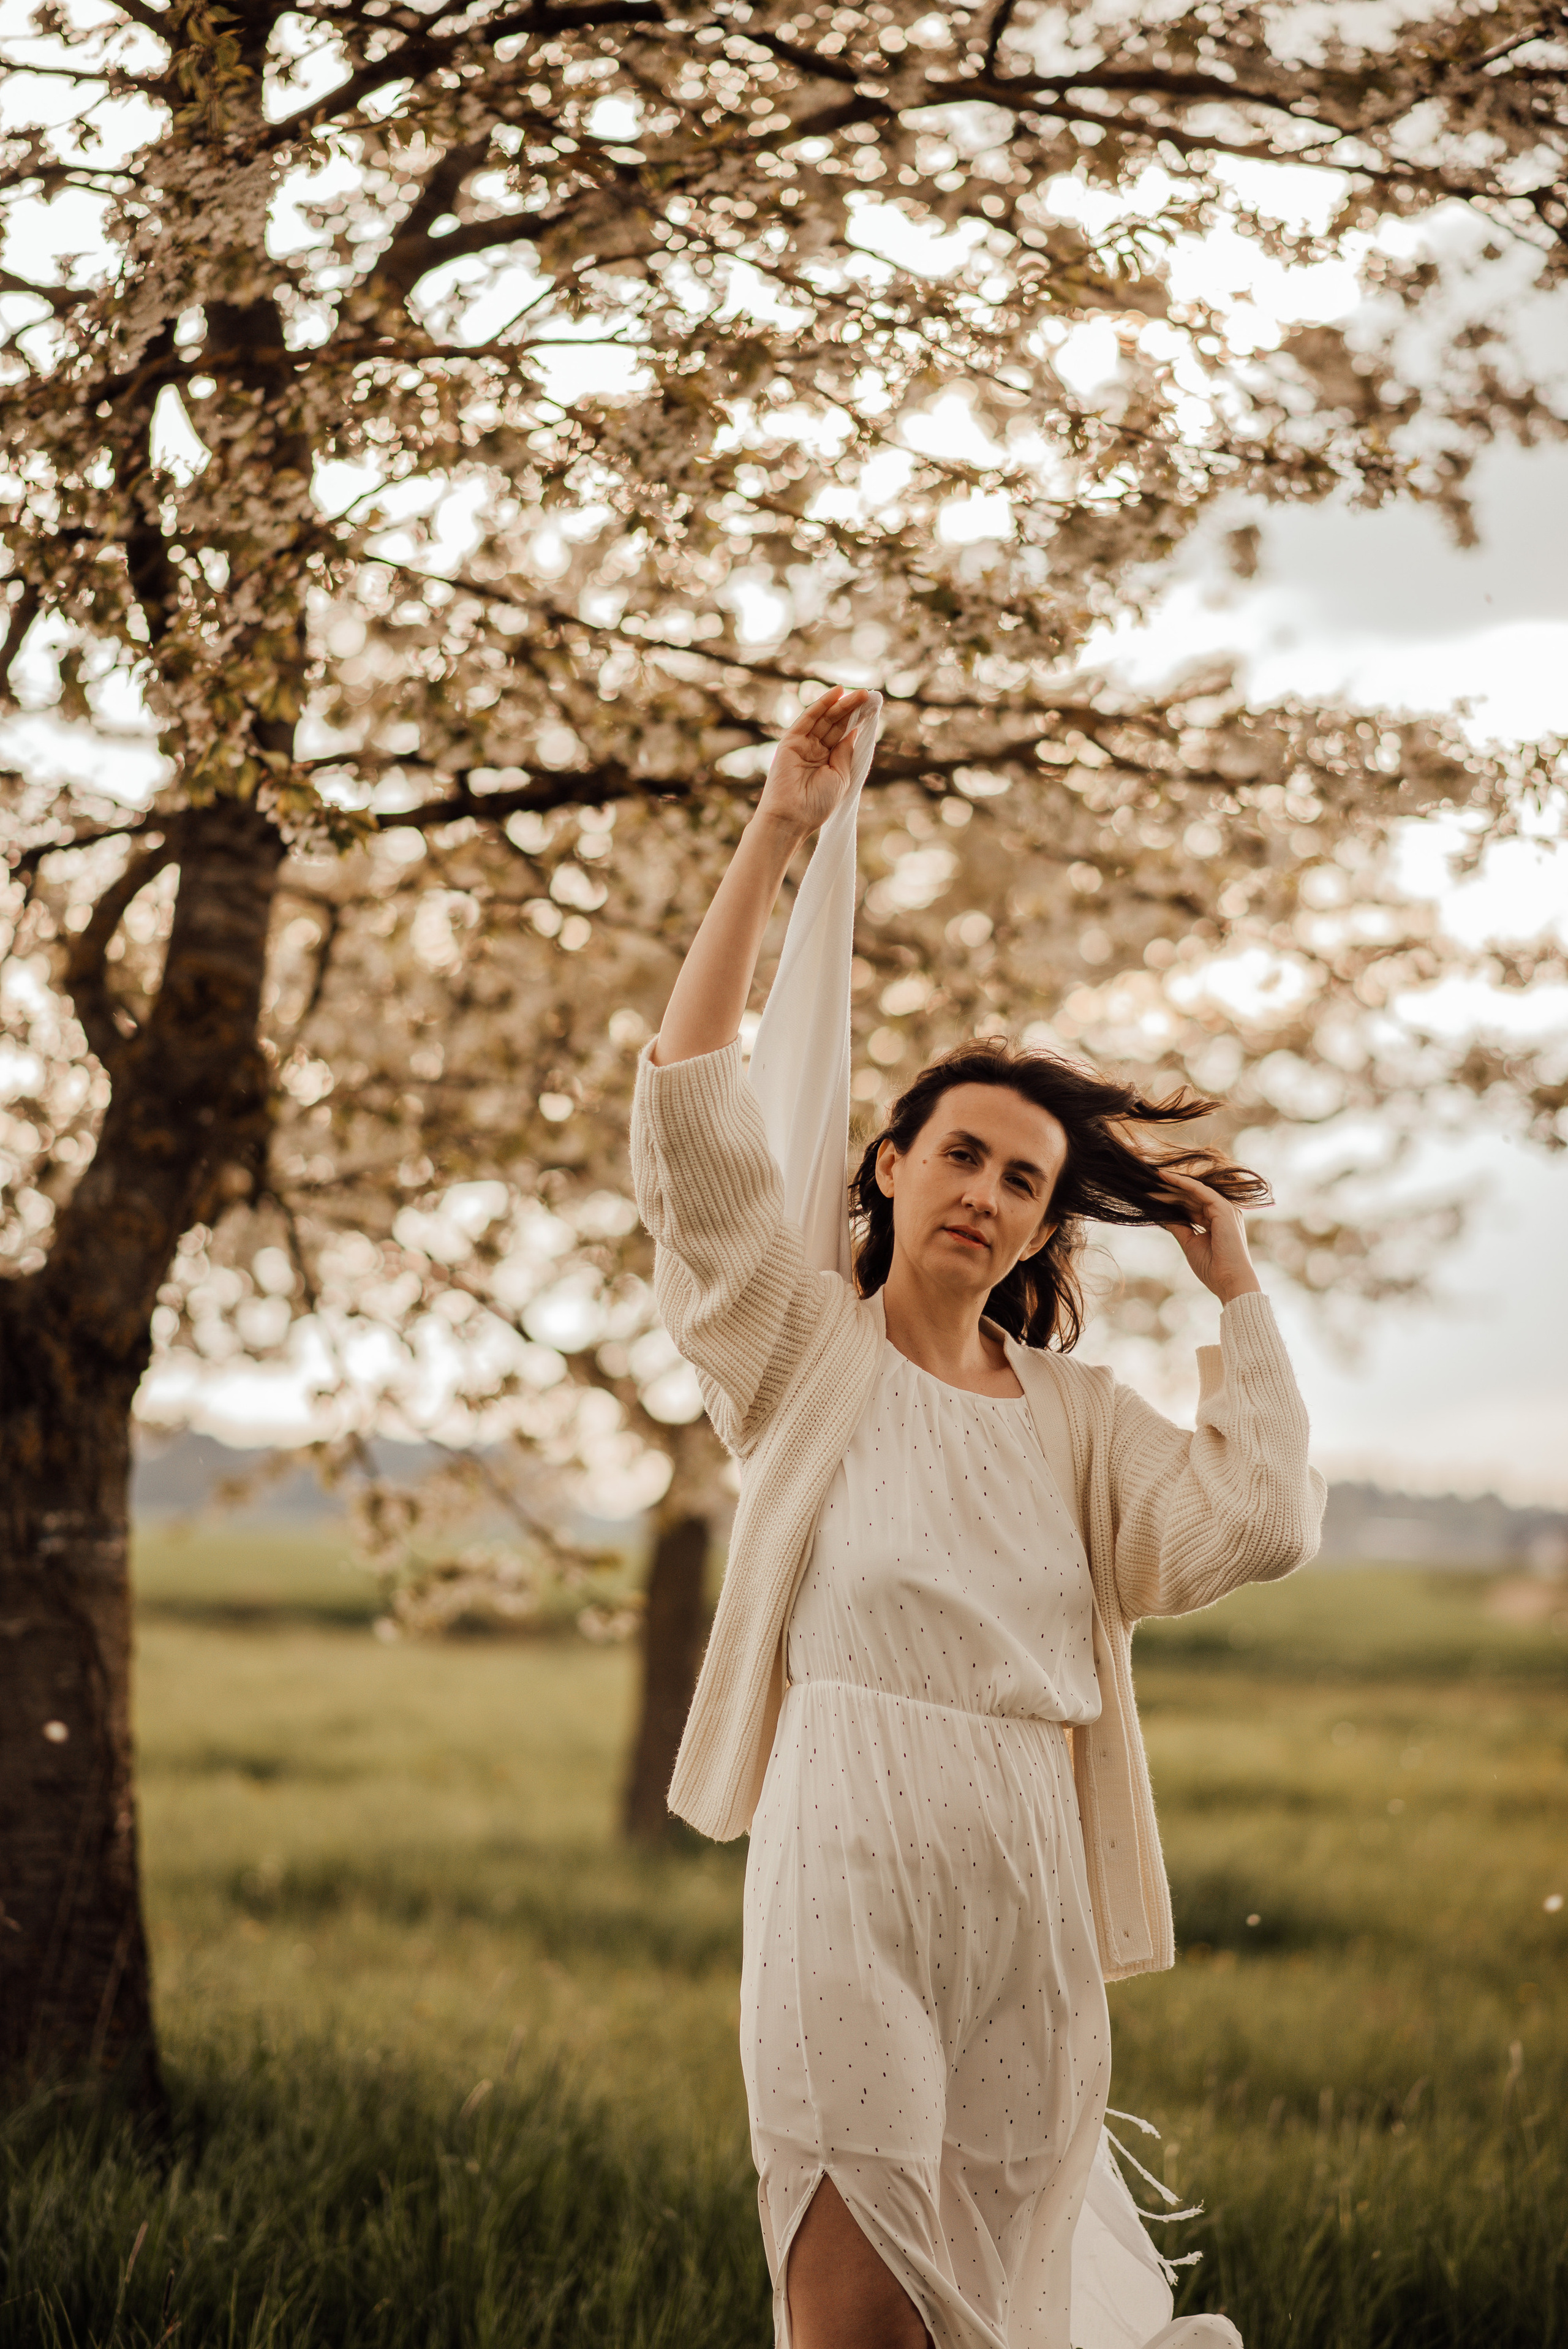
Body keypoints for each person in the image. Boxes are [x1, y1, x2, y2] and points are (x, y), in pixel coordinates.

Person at [630, 687, 1325, 2349]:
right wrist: (781, 832)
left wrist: (1234, 1284)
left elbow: (1257, 1518)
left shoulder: (1081, 1424)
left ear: (1037, 1231)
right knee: (852, 2300)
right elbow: (693, 1119)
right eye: (962, 1154)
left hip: (1029, 1886)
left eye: (1025, 1180)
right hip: (844, 1858)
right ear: (887, 1164)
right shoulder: (801, 1352)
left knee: (1003, 2307)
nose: (988, 1192)